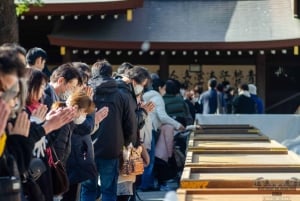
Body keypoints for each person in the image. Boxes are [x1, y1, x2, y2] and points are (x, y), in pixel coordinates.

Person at [81, 61, 136, 201]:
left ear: (93, 75)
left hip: (86, 149)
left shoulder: (85, 93)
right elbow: (130, 123)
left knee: (88, 189)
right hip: (111, 148)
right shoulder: (121, 95)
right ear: (111, 74)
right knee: (109, 190)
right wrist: (128, 142)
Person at [143, 78, 185, 191]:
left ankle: (144, 184)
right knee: (150, 159)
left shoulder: (146, 96)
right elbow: (162, 116)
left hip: (143, 129)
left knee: (144, 158)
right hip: (150, 129)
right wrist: (177, 125)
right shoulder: (157, 97)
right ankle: (147, 185)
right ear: (161, 88)